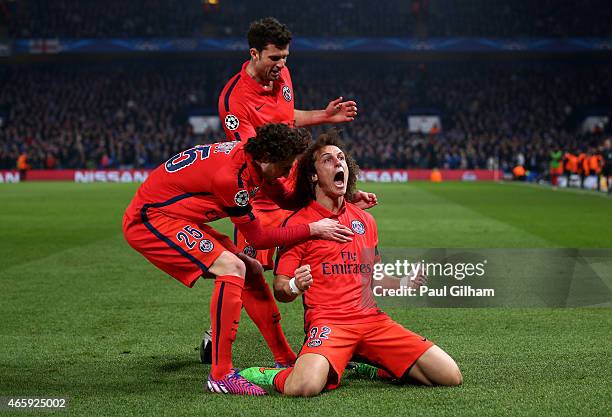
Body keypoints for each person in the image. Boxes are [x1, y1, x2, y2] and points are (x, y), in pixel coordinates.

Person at [122, 124, 355, 395]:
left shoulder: (255, 161)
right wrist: (313, 228)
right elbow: (258, 239)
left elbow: (287, 198)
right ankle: (220, 374)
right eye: (285, 165)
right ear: (267, 158)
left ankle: (285, 359)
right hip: (150, 219)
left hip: (179, 217)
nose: (287, 171)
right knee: (231, 267)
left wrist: (345, 199)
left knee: (251, 270)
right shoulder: (232, 178)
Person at [239, 131, 462, 396]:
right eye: (328, 160)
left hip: (372, 322)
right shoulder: (300, 225)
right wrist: (297, 286)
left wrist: (405, 282)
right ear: (313, 175)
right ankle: (274, 374)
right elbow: (280, 288)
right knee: (303, 387)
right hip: (329, 322)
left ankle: (371, 363)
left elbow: (374, 278)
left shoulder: (365, 221)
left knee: (450, 375)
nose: (338, 164)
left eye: (342, 158)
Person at [205, 16, 367, 366]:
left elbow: (285, 118)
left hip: (292, 183)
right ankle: (216, 333)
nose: (282, 65)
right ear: (254, 53)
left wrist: (323, 115)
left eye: (286, 58)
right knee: (249, 269)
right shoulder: (234, 101)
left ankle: (330, 334)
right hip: (264, 193)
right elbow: (254, 158)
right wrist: (291, 192)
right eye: (275, 58)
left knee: (328, 249)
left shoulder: (283, 76)